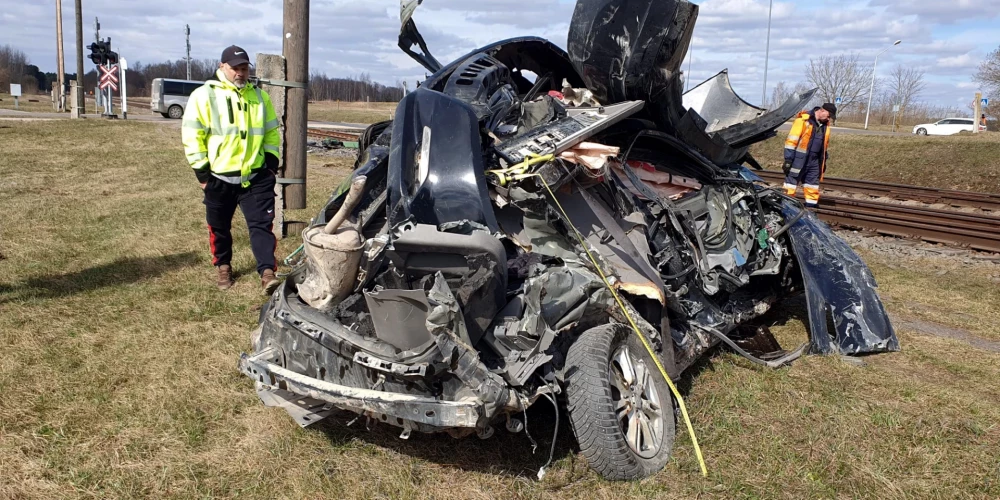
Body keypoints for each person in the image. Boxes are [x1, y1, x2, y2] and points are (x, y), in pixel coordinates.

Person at [182, 45, 282, 293]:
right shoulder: (204, 96)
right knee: (219, 228)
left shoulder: (260, 97)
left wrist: (270, 163)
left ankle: (267, 273)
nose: (240, 72)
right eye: (235, 68)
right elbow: (192, 135)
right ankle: (224, 267)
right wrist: (203, 174)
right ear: (222, 67)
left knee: (262, 226)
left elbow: (271, 131)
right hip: (219, 178)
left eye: (244, 67)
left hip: (256, 177)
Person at [782, 103, 835, 208]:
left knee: (812, 185)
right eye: (828, 116)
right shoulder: (803, 120)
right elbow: (791, 141)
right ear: (822, 111)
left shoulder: (825, 125)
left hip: (814, 160)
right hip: (798, 159)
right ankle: (786, 206)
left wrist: (823, 161)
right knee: (791, 184)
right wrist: (788, 160)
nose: (829, 119)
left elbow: (824, 146)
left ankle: (812, 208)